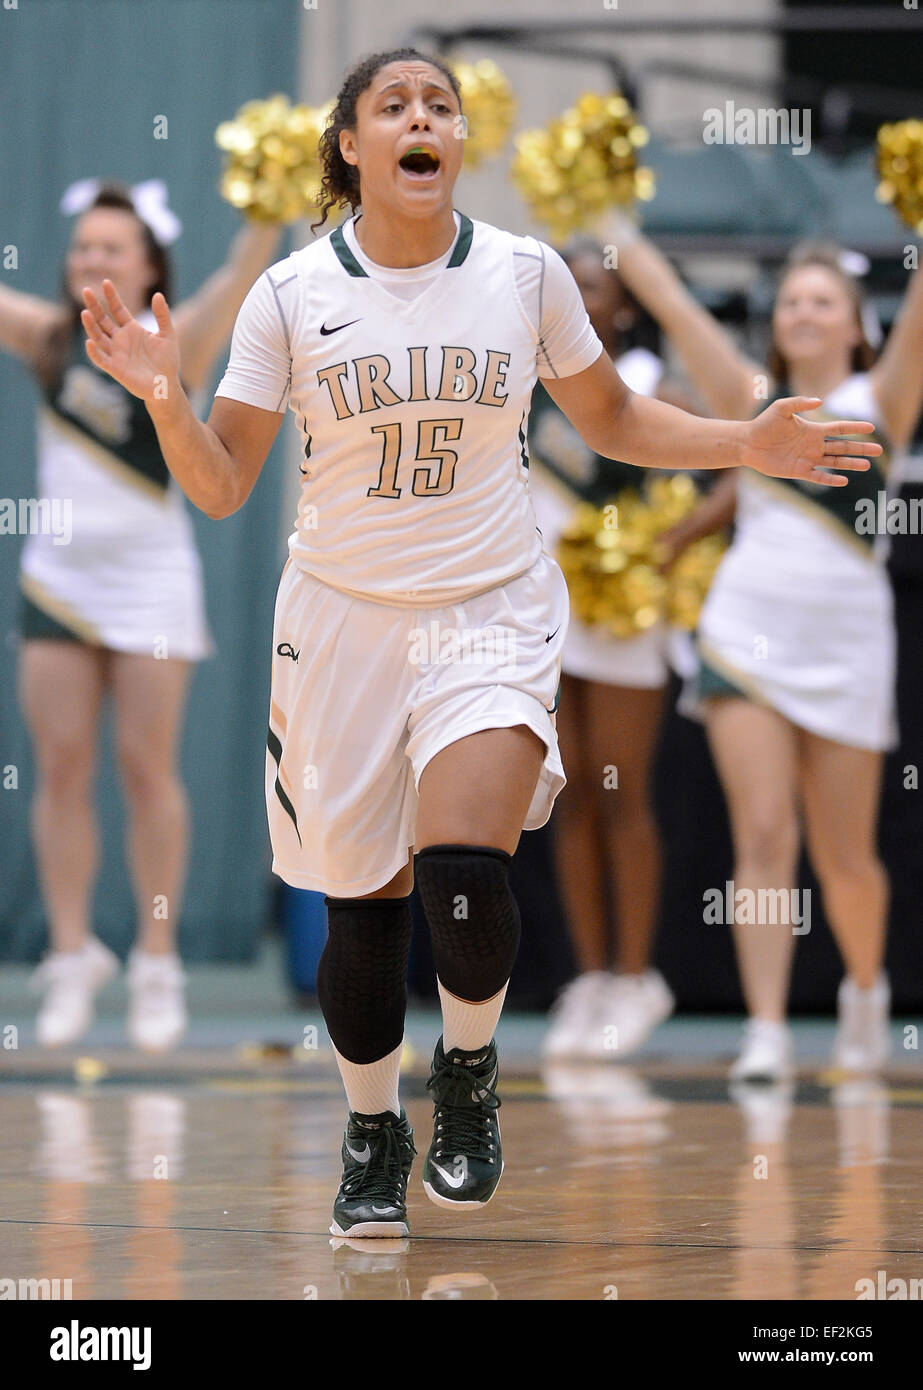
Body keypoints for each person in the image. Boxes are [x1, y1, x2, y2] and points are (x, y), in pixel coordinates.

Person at [79, 47, 879, 1237]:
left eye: (438, 105)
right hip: (340, 621)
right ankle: (369, 1125)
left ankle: (463, 1070)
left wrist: (740, 444)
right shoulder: (290, 295)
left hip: (488, 608)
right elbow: (221, 484)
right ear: (350, 144)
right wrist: (162, 400)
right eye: (392, 105)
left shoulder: (522, 272)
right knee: (364, 905)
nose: (421, 118)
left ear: (458, 141)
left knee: (463, 861)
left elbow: (608, 417)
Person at [602, 213, 923, 1080]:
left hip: (849, 638)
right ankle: (768, 1030)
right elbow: (669, 301)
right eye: (791, 300)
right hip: (748, 632)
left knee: (845, 855)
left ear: (858, 323)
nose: (805, 313)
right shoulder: (749, 398)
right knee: (766, 832)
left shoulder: (882, 400)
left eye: (824, 300)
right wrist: (601, 214)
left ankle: (863, 992)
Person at [0, 180, 281, 1051]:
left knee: (146, 768)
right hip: (60, 579)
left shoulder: (180, 338)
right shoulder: (48, 337)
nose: (92, 260)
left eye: (111, 248)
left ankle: (158, 959)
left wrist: (266, 199)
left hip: (152, 578)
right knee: (62, 765)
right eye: (82, 247)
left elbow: (244, 268)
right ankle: (75, 951)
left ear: (149, 262)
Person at [528, 238, 689, 1060]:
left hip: (621, 612)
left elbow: (726, 467)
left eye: (594, 286)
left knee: (622, 791)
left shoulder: (655, 386)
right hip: (543, 612)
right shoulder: (523, 384)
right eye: (568, 286)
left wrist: (667, 543)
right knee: (571, 794)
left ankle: (637, 976)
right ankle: (589, 978)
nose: (579, 297)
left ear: (623, 307)